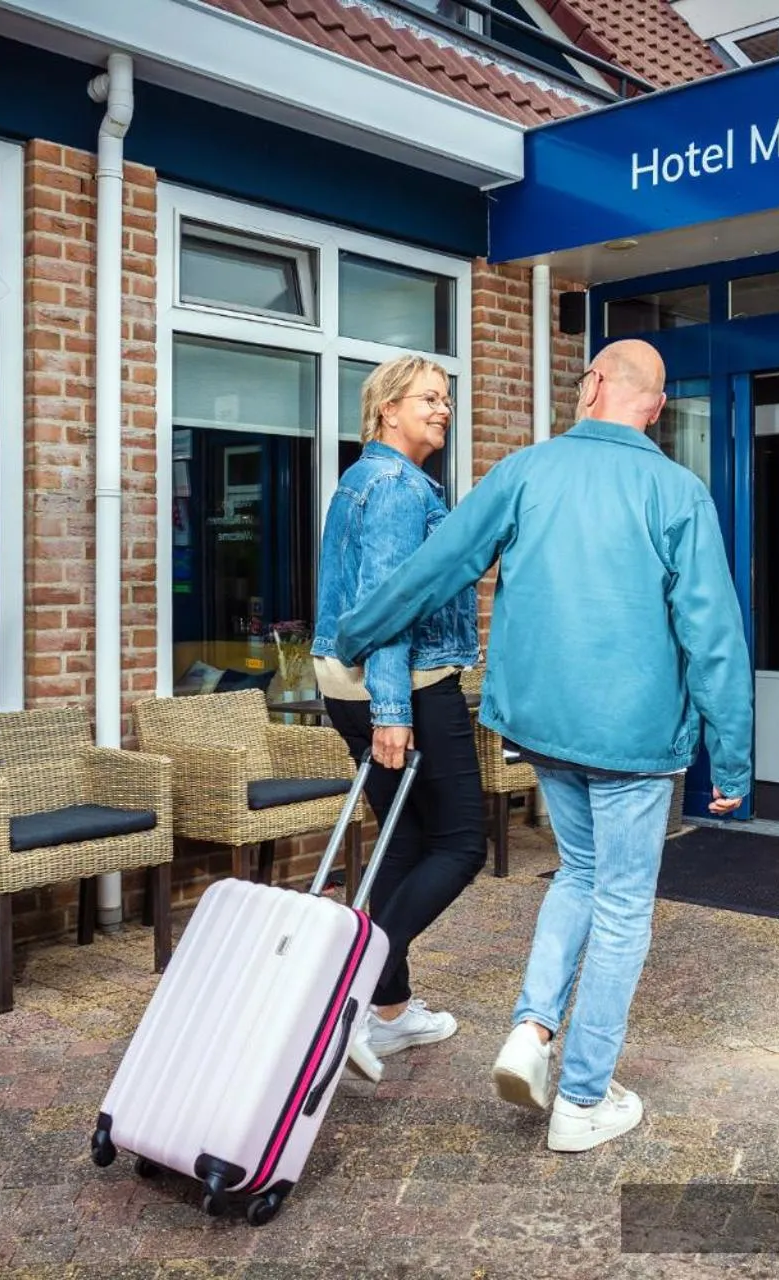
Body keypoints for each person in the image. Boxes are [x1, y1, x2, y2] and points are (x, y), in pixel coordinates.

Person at [335, 338, 752, 1154]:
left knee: (581, 875)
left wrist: (357, 631)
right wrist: (730, 760)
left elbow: (436, 568)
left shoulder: (526, 470)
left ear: (595, 385)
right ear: (656, 409)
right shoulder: (677, 489)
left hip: (543, 727)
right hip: (636, 739)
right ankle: (582, 1100)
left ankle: (532, 1029)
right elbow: (713, 636)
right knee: (622, 905)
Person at [310, 355, 486, 1083]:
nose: (443, 409)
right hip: (404, 687)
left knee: (405, 844)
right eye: (429, 399)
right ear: (387, 408)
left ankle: (388, 1013)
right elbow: (388, 609)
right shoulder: (395, 489)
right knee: (462, 843)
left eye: (446, 400)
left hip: (345, 683)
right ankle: (353, 984)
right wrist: (392, 711)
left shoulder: (362, 480)